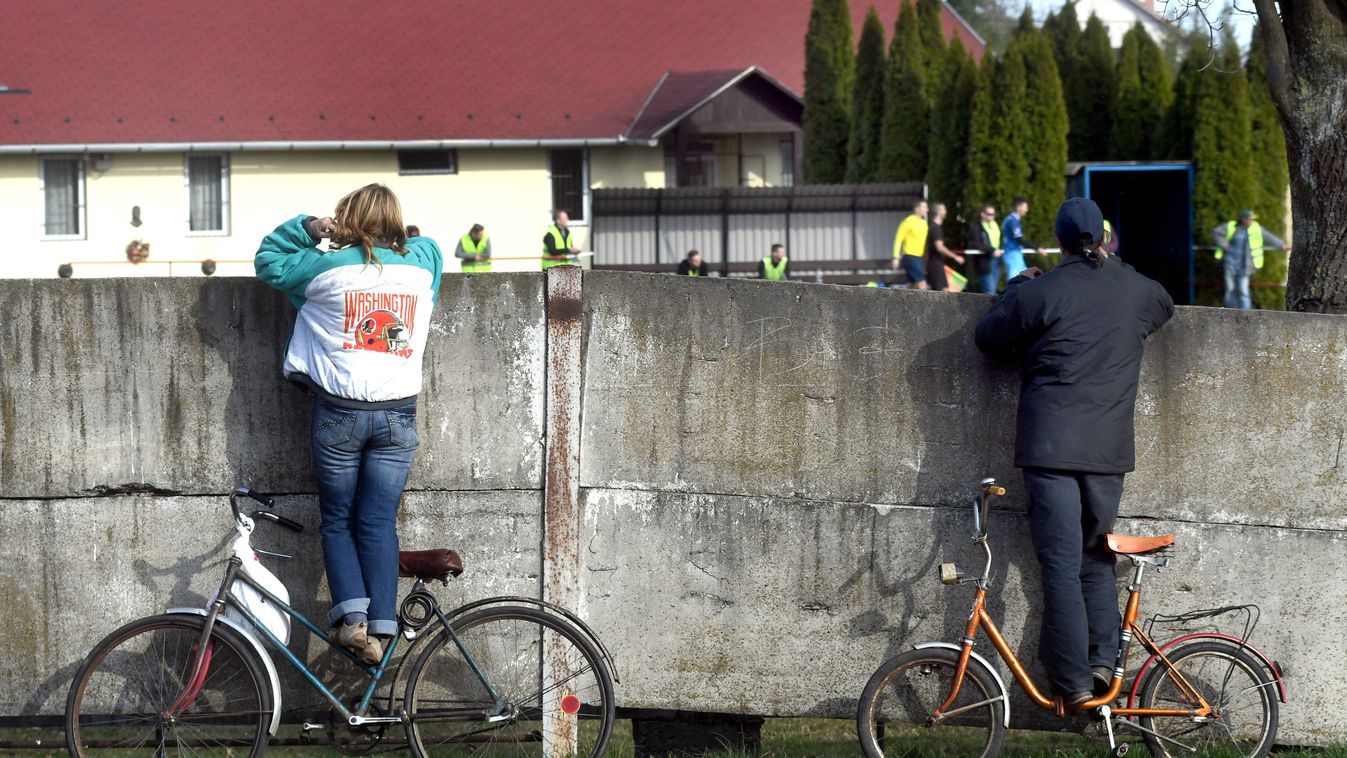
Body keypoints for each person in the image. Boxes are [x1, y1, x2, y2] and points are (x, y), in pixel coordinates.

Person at [974, 198, 1174, 708]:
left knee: (1060, 564)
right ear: (1105, 237)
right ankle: (1104, 663)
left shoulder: (1041, 291)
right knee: (1097, 559)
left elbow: (989, 339)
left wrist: (1018, 284)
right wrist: (1114, 266)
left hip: (1049, 448)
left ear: (1059, 242)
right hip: (1107, 452)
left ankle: (1072, 684)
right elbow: (1164, 305)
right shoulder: (1135, 291)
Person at [255, 184, 443, 665]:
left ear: (345, 221)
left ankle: (354, 622)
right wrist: (397, 237)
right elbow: (429, 246)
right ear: (396, 223)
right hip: (398, 414)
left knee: (338, 519)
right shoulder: (421, 267)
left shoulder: (323, 268)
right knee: (379, 522)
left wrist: (308, 228)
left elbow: (269, 261)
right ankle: (383, 628)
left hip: (339, 412)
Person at [1212, 210, 1287, 309]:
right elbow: (1216, 232)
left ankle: (1246, 313)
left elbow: (1270, 237)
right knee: (1230, 289)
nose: (1251, 221)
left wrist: (1282, 245)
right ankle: (1230, 311)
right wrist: (1225, 245)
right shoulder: (1231, 226)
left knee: (1243, 289)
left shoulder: (1256, 228)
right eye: (1249, 219)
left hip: (1245, 265)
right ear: (1243, 219)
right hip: (1230, 263)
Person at [924, 202, 965, 292]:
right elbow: (940, 247)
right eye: (944, 210)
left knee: (941, 291)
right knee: (943, 292)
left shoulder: (933, 227)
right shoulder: (935, 228)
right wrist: (955, 257)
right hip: (935, 265)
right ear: (938, 212)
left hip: (935, 265)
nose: (946, 212)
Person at [1001, 197, 1045, 280]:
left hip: (1014, 254)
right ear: (1019, 207)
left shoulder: (1009, 219)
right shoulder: (1013, 221)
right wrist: (1037, 248)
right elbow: (1019, 239)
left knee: (1026, 279)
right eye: (1025, 207)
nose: (1027, 210)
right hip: (1013, 254)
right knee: (1014, 282)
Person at [892, 200, 929, 289]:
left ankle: (903, 302)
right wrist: (896, 257)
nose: (927, 210)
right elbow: (898, 239)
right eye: (924, 207)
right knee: (922, 284)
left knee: (912, 285)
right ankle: (926, 303)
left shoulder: (924, 223)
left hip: (919, 258)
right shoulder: (908, 222)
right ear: (917, 209)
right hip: (910, 257)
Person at [967, 203, 1004, 294]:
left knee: (993, 291)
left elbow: (998, 240)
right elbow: (976, 244)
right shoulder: (976, 227)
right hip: (985, 261)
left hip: (995, 260)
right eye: (990, 214)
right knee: (989, 292)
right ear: (982, 214)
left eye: (993, 214)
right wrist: (992, 250)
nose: (992, 217)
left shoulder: (994, 225)